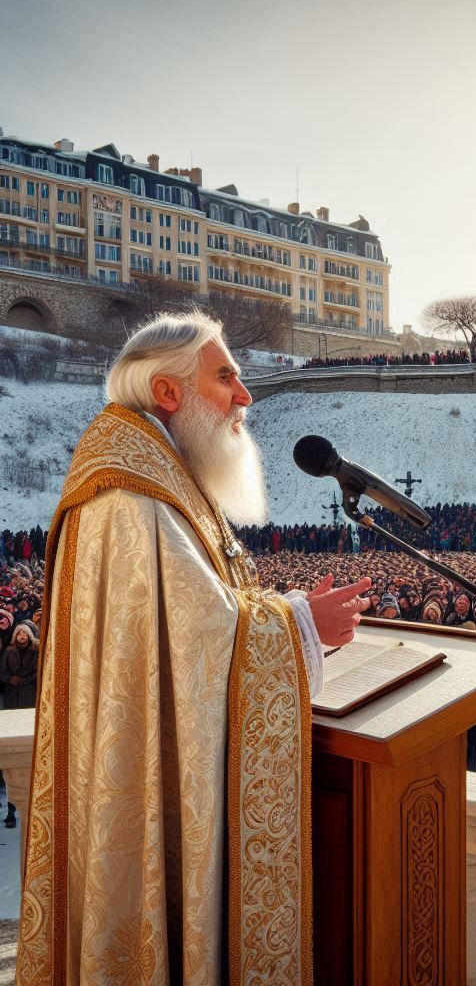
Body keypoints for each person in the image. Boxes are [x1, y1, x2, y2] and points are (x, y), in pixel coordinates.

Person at [17, 313, 371, 982]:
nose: (245, 397)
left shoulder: (157, 472)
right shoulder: (131, 494)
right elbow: (194, 635)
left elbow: (197, 620)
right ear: (168, 392)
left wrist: (292, 616)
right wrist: (300, 627)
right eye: (226, 377)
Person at [0, 621, 39, 826]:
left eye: (24, 634)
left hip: (27, 696)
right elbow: (2, 671)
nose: (22, 636)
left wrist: (21, 681)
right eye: (19, 634)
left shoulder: (35, 650)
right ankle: (11, 811)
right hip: (11, 699)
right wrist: (10, 680)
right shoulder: (9, 650)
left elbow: (37, 671)